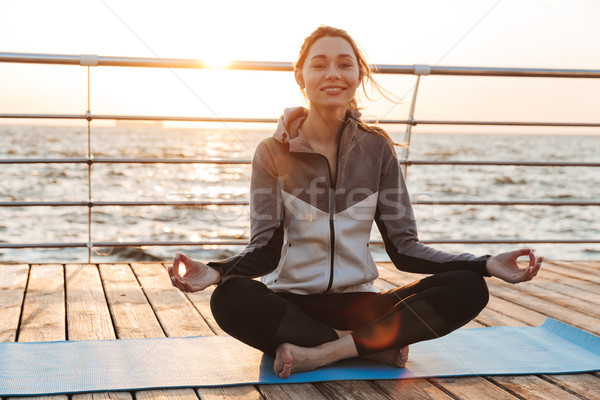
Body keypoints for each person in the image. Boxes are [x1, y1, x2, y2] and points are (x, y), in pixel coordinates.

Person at [168, 25, 543, 379]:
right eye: (320, 64)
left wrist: (486, 264)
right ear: (300, 77)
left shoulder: (377, 148)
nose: (333, 73)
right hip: (291, 305)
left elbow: (405, 249)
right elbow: (264, 250)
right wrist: (217, 270)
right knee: (230, 297)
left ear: (358, 75)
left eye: (344, 64)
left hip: (361, 305)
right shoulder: (271, 152)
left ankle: (322, 351)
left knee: (469, 285)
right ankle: (365, 347)